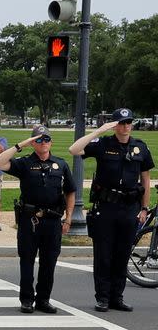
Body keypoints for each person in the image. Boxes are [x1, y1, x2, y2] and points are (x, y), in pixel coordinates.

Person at [69, 108, 153, 312]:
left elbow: (146, 179)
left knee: (122, 255)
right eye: (121, 123)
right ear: (114, 125)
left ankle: (117, 297)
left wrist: (144, 208)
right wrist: (98, 131)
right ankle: (103, 298)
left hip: (129, 208)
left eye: (128, 122)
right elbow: (75, 149)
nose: (125, 126)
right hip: (106, 207)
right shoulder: (103, 144)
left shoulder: (140, 147)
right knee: (104, 255)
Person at [0, 125, 75, 314]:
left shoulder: (60, 164)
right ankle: (27, 299)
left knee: (49, 262)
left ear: (51, 142)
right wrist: (21, 145)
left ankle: (43, 299)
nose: (43, 142)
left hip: (53, 220)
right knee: (27, 260)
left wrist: (69, 218)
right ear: (32, 143)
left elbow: (70, 191)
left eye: (46, 139)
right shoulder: (24, 164)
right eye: (38, 139)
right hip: (30, 220)